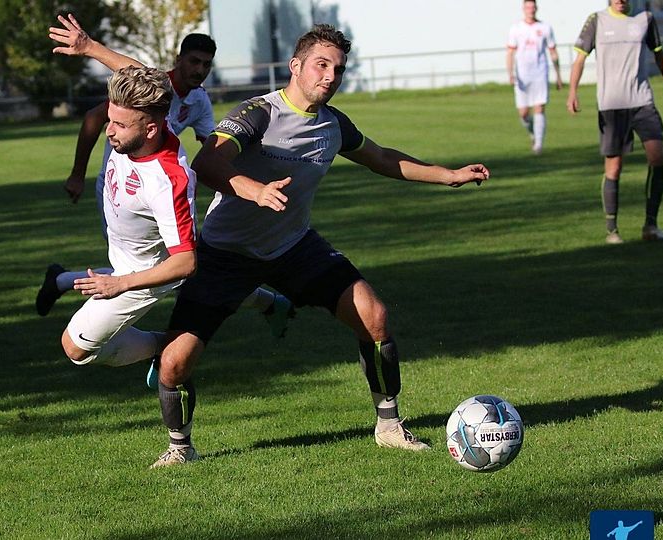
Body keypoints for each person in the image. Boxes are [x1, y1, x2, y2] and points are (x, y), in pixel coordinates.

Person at [150, 24, 490, 467]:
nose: (330, 76)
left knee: (375, 317)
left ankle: (389, 425)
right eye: (321, 65)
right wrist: (253, 190)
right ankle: (180, 448)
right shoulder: (258, 113)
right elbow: (207, 160)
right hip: (224, 252)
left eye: (338, 69)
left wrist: (449, 174)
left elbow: (383, 157)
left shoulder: (334, 125)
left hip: (294, 246)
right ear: (296, 66)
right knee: (175, 364)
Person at [37, 29, 294, 338]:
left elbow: (212, 150)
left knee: (161, 268)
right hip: (119, 185)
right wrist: (78, 172)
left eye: (206, 64)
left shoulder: (196, 103)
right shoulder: (151, 88)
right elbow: (101, 110)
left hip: (153, 188)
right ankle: (175, 342)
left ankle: (66, 284)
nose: (199, 70)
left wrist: (250, 183)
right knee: (147, 269)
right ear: (179, 60)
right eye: (193, 61)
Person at [567, 0, 663, 244]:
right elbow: (580, 59)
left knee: (657, 158)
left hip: (643, 101)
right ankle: (612, 230)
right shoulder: (597, 20)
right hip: (611, 106)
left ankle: (651, 226)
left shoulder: (645, 20)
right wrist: (573, 91)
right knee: (614, 168)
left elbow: (660, 57)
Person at [506, 0, 562, 155]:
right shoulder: (516, 29)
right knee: (523, 113)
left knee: (539, 107)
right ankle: (532, 131)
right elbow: (510, 53)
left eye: (533, 7)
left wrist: (558, 75)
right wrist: (510, 74)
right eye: (528, 7)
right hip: (522, 75)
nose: (531, 10)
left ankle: (538, 144)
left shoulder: (545, 28)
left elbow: (553, 51)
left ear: (536, 8)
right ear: (523, 9)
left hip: (540, 73)